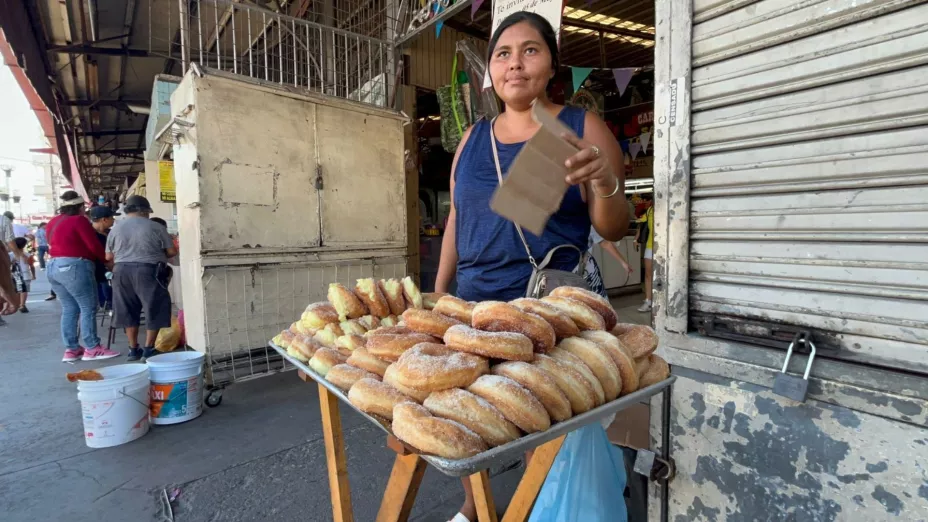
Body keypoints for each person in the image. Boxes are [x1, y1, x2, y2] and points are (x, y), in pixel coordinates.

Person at [434, 12, 629, 522]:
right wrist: (439, 296)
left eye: (530, 50)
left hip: (545, 310)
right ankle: (475, 508)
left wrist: (605, 180)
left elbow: (613, 228)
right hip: (475, 308)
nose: (515, 63)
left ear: (551, 65)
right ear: (491, 71)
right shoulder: (473, 139)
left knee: (540, 423)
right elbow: (458, 218)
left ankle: (539, 505)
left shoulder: (579, 126)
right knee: (475, 418)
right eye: (503, 53)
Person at [46, 191, 120, 362]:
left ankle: (71, 350)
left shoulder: (53, 221)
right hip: (74, 267)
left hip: (53, 267)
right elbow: (93, 244)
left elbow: (53, 243)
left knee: (69, 309)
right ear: (80, 207)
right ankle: (92, 347)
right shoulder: (79, 220)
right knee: (88, 307)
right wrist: (106, 261)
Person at [106, 195, 177, 361]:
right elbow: (171, 252)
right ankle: (149, 349)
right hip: (148, 271)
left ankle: (133, 349)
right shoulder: (155, 227)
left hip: (121, 271)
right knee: (154, 307)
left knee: (128, 310)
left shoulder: (116, 228)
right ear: (144, 211)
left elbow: (108, 256)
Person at [89, 206, 120, 310]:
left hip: (112, 266)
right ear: (104, 219)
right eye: (112, 218)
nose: (113, 220)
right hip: (98, 271)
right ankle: (109, 304)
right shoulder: (90, 234)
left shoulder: (110, 232)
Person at [634, 199, 654, 312]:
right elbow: (641, 225)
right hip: (651, 246)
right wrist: (635, 240)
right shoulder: (650, 210)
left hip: (666, 248)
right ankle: (648, 301)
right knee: (648, 274)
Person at [9, 237, 34, 312]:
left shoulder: (10, 255)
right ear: (24, 245)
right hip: (25, 274)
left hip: (14, 274)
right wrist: (33, 275)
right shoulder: (28, 255)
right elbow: (31, 266)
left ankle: (16, 304)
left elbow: (7, 265)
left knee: (17, 290)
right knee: (24, 290)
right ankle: (22, 305)